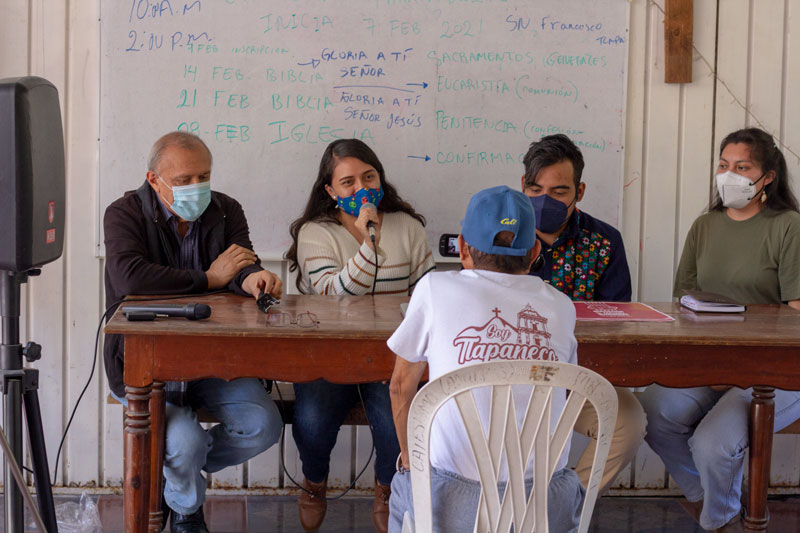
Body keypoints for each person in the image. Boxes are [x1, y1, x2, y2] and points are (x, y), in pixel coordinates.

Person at [103, 131, 283, 533]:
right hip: (142, 364)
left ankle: (175, 480)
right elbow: (130, 276)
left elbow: (240, 264)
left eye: (203, 176)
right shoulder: (123, 213)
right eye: (182, 180)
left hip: (212, 360)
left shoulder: (225, 209)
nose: (195, 187)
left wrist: (255, 278)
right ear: (154, 180)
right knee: (183, 443)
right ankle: (186, 507)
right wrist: (208, 278)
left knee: (263, 426)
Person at [387, 185, 585, 532]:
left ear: (462, 248)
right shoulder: (561, 307)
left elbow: (401, 386)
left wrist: (410, 460)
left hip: (452, 504)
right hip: (543, 506)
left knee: (407, 480)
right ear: (535, 250)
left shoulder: (434, 290)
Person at [640, 127, 800, 531]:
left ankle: (719, 521)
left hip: (773, 371)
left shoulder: (788, 226)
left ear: (768, 177)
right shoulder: (705, 226)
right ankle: (715, 502)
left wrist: (738, 366)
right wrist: (708, 366)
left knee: (713, 444)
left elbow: (797, 313)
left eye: (742, 167)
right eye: (724, 165)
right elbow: (682, 303)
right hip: (706, 363)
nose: (730, 175)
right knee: (650, 415)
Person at [285, 138, 435, 532]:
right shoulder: (315, 232)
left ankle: (386, 487)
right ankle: (314, 482)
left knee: (393, 423)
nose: (361, 188)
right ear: (331, 191)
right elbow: (333, 292)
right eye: (348, 182)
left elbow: (427, 295)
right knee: (313, 422)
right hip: (328, 353)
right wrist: (371, 241)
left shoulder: (408, 227)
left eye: (369, 177)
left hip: (391, 355)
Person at [521, 134, 646, 494]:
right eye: (535, 188)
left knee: (628, 421)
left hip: (577, 375)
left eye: (559, 192)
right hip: (506, 376)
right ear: (522, 187)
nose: (545, 200)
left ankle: (568, 506)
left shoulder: (604, 242)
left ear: (580, 190)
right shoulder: (499, 236)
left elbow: (615, 322)